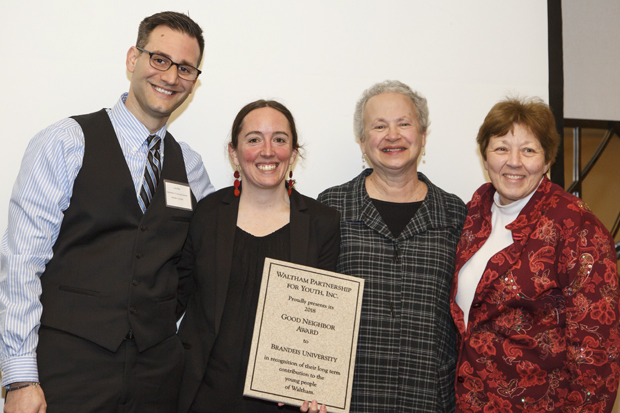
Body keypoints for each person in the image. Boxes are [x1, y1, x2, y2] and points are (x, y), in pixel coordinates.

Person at [0, 11, 214, 412]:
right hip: (67, 369)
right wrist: (20, 378)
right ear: (133, 59)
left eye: (185, 68)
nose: (170, 77)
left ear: (194, 80)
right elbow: (21, 264)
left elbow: (209, 260)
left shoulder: (192, 167)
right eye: (160, 59)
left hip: (157, 377)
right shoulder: (66, 142)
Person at [450, 97, 620, 412]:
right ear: (484, 156)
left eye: (528, 150)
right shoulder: (472, 213)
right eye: (501, 148)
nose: (514, 161)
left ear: (546, 160)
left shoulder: (577, 226)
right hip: (466, 403)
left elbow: (597, 351)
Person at [176, 100, 340, 413]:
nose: (268, 151)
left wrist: (318, 385)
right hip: (204, 396)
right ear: (234, 153)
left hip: (285, 401)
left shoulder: (323, 222)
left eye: (279, 139)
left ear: (293, 154)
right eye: (254, 139)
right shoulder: (205, 213)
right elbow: (174, 297)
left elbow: (324, 322)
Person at [318, 80, 467, 412]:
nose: (393, 135)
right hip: (350, 400)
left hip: (430, 398)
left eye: (404, 123)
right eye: (379, 126)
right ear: (362, 140)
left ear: (423, 135)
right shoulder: (331, 207)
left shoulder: (456, 214)